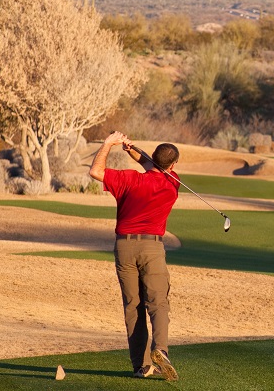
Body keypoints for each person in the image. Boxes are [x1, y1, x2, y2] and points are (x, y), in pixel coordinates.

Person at [89, 131, 180, 381]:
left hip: (125, 248)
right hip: (152, 248)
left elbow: (96, 171)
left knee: (133, 306)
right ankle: (160, 350)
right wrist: (133, 151)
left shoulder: (128, 180)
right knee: (158, 303)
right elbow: (154, 165)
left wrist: (109, 144)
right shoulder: (173, 183)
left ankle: (142, 366)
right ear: (173, 165)